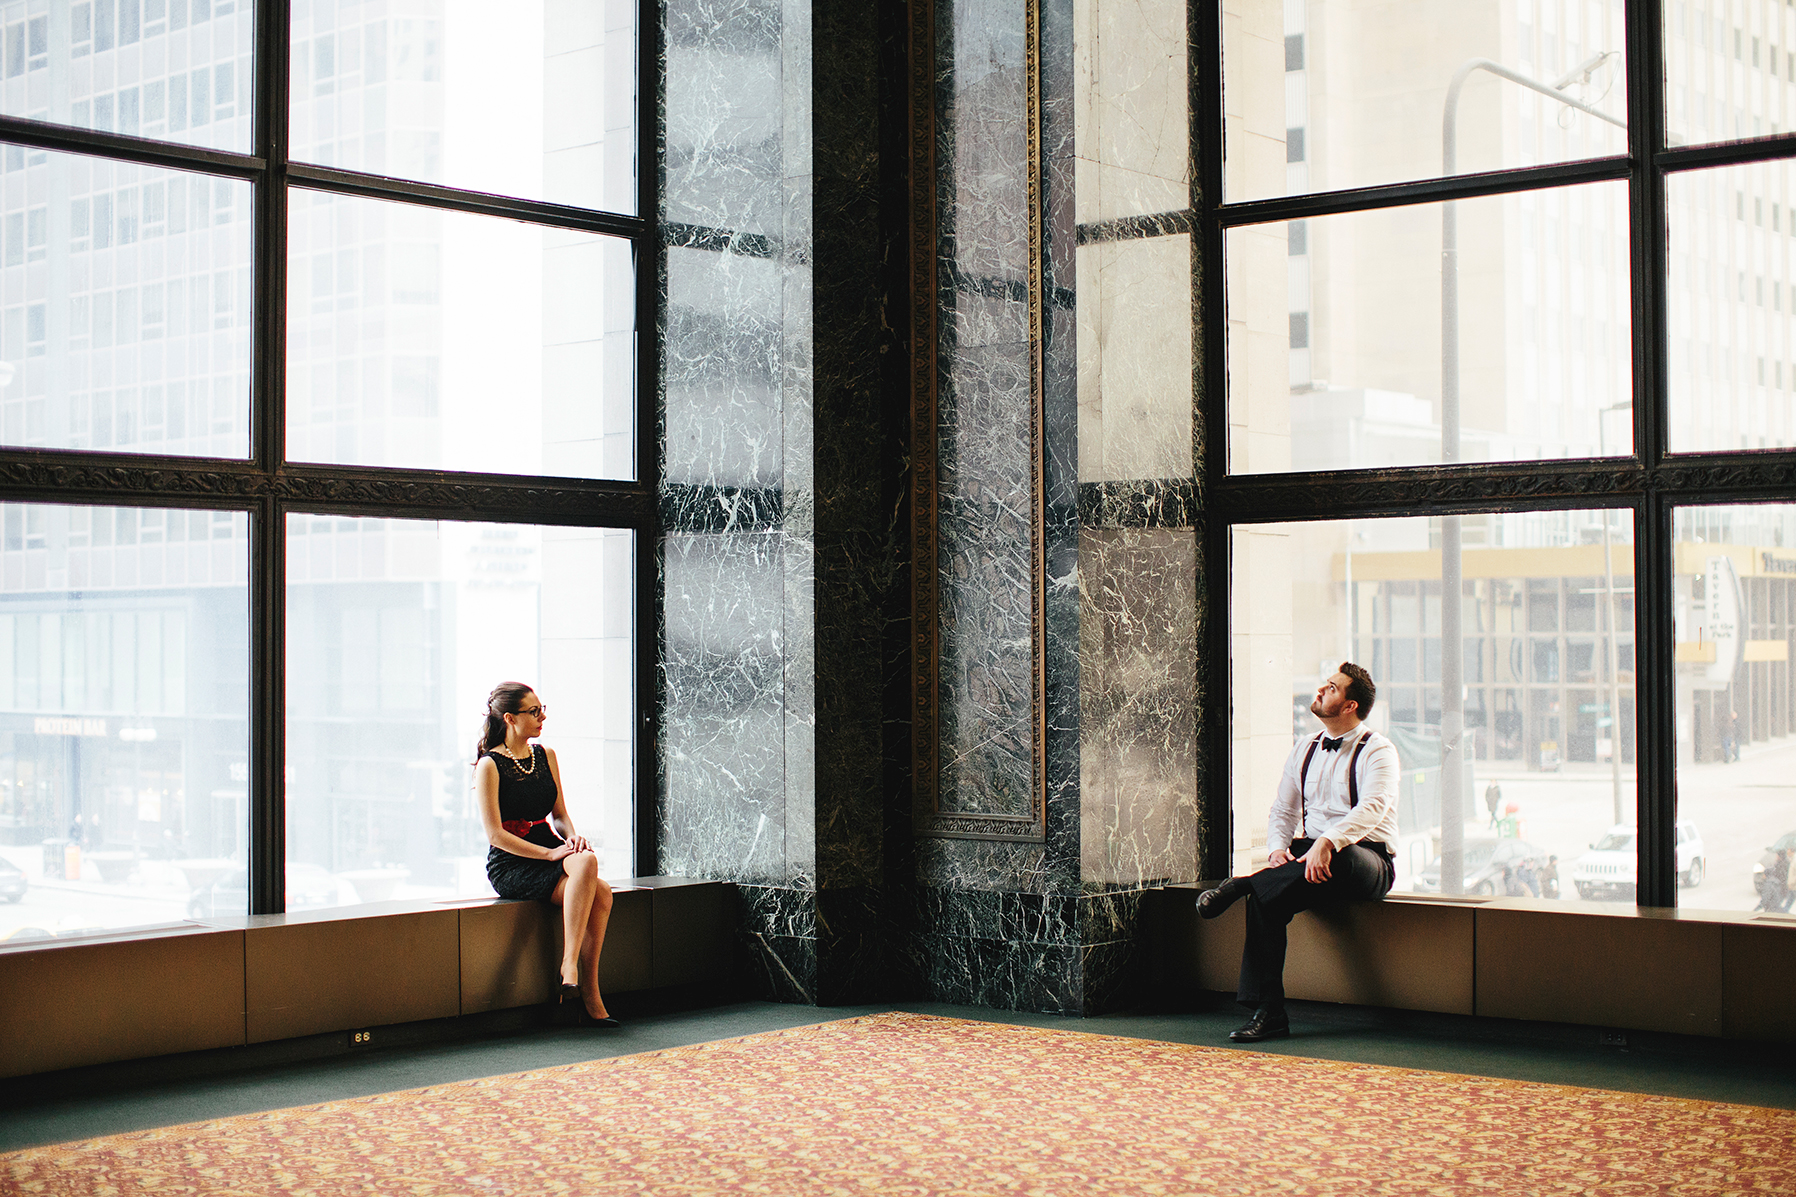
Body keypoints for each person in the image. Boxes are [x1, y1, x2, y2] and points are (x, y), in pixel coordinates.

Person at [1195, 663, 1399, 1042]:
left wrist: (1327, 842)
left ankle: (1240, 885)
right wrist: (1276, 851)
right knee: (1266, 899)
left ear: (1350, 705)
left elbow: (1373, 807)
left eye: (1333, 688)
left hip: (1366, 860)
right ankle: (1269, 1012)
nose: (1322, 690)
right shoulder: (1305, 748)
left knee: (1340, 853)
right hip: (1311, 857)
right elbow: (1284, 810)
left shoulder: (1379, 751)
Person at [475, 681, 618, 1027]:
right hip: (512, 861)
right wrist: (549, 855)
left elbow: (560, 816)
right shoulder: (490, 765)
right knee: (599, 891)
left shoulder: (545, 756)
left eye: (542, 710)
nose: (542, 718)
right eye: (534, 712)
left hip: (548, 844)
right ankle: (587, 990)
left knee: (586, 860)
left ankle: (573, 970)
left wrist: (573, 839)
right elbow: (496, 835)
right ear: (510, 718)